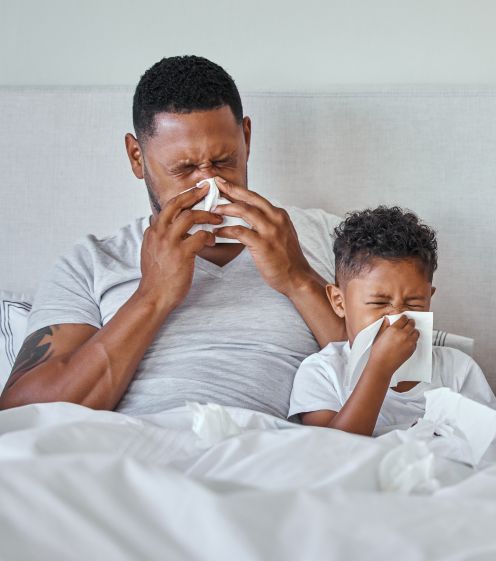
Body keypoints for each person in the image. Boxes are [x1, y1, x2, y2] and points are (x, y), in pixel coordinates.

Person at [0, 55, 345, 417]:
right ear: (137, 157)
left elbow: (385, 378)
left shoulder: (328, 239)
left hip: (269, 441)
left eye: (223, 161)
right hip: (129, 444)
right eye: (184, 168)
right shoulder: (91, 263)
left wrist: (298, 279)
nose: (209, 183)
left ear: (245, 137)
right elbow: (20, 414)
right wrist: (152, 296)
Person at [289, 206, 496, 436]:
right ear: (339, 302)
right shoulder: (322, 372)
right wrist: (379, 369)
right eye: (379, 303)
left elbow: (490, 444)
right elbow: (330, 449)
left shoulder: (457, 370)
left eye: (414, 303)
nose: (397, 316)